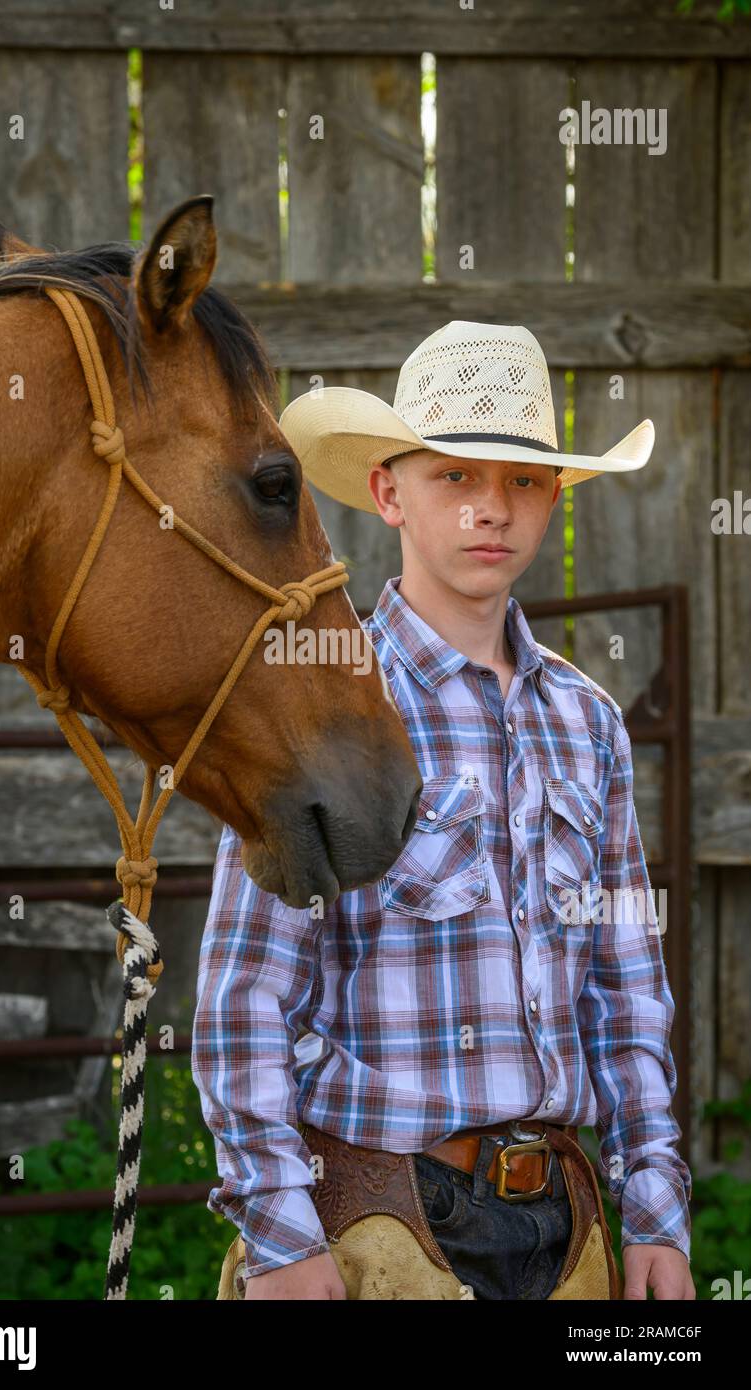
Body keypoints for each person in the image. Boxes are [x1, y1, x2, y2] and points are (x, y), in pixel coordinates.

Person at [191, 321, 694, 1300]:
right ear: (388, 492)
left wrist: (655, 1217)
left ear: (555, 498)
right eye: (454, 478)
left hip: (564, 1226)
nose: (488, 509)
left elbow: (625, 993)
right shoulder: (320, 708)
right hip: (377, 1221)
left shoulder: (587, 724)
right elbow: (243, 995)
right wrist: (283, 1239)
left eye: (520, 481)